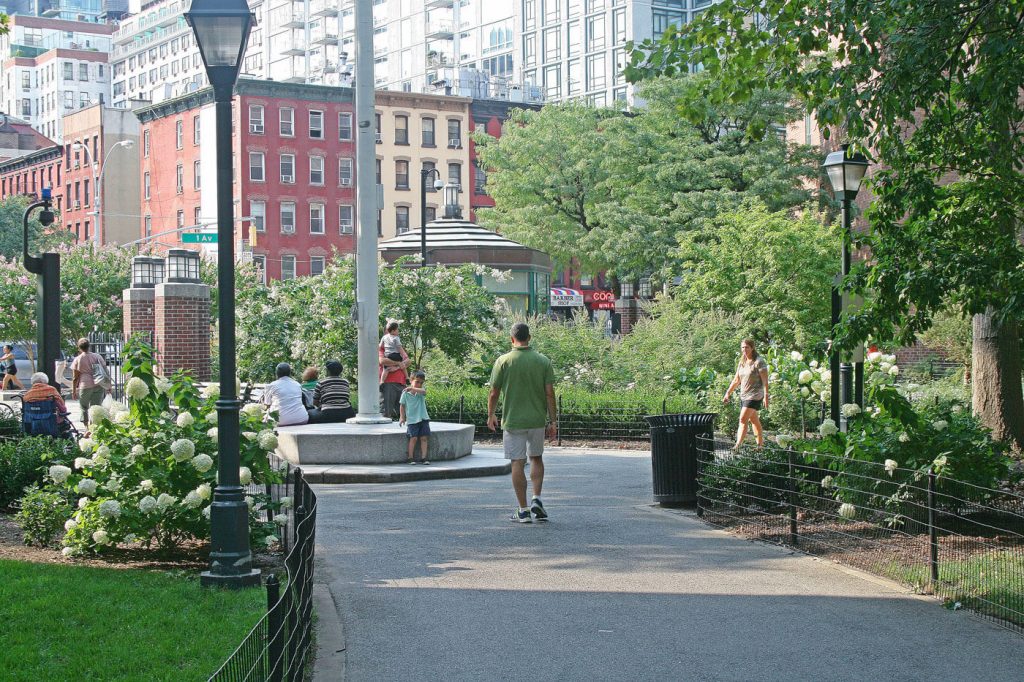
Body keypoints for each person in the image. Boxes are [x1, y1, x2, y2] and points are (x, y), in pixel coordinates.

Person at [487, 322, 556, 523]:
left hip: (513, 420)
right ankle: (537, 498)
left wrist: (491, 414)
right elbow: (550, 393)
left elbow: (494, 392)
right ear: (529, 337)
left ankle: (523, 509)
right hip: (536, 419)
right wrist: (552, 420)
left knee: (517, 462)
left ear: (512, 339)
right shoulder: (543, 361)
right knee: (536, 457)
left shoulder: (503, 361)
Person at [722, 338, 770, 448]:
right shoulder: (742, 362)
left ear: (752, 348)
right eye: (742, 347)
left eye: (747, 347)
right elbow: (736, 380)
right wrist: (727, 393)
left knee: (742, 419)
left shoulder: (759, 361)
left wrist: (766, 396)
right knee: (754, 421)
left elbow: (765, 381)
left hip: (755, 395)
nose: (744, 349)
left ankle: (737, 446)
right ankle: (760, 446)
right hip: (744, 395)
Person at [71, 338, 108, 427]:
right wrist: (108, 385)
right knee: (95, 407)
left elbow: (75, 377)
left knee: (84, 407)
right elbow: (105, 370)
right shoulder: (97, 356)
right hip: (98, 384)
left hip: (85, 386)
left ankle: (86, 427)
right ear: (89, 346)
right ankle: (93, 427)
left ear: (79, 348)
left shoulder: (78, 359)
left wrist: (74, 391)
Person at [23, 371, 70, 436]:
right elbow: (62, 408)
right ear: (45, 381)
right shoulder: (51, 390)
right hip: (51, 422)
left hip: (33, 423)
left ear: (33, 382)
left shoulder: (28, 395)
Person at [399, 370, 431, 464]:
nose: (419, 384)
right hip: (412, 420)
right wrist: (402, 417)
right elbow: (402, 405)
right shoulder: (405, 393)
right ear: (411, 380)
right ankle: (410, 457)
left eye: (421, 382)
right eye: (417, 381)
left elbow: (424, 391)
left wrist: (413, 389)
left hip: (423, 418)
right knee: (413, 438)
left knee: (424, 438)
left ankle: (424, 458)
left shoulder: (420, 392)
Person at [379, 341, 409, 420]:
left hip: (402, 383)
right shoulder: (381, 349)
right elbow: (382, 361)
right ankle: (384, 431)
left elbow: (408, 361)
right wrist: (399, 363)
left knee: (404, 412)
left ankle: (405, 431)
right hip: (388, 384)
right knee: (386, 412)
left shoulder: (399, 349)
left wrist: (397, 367)